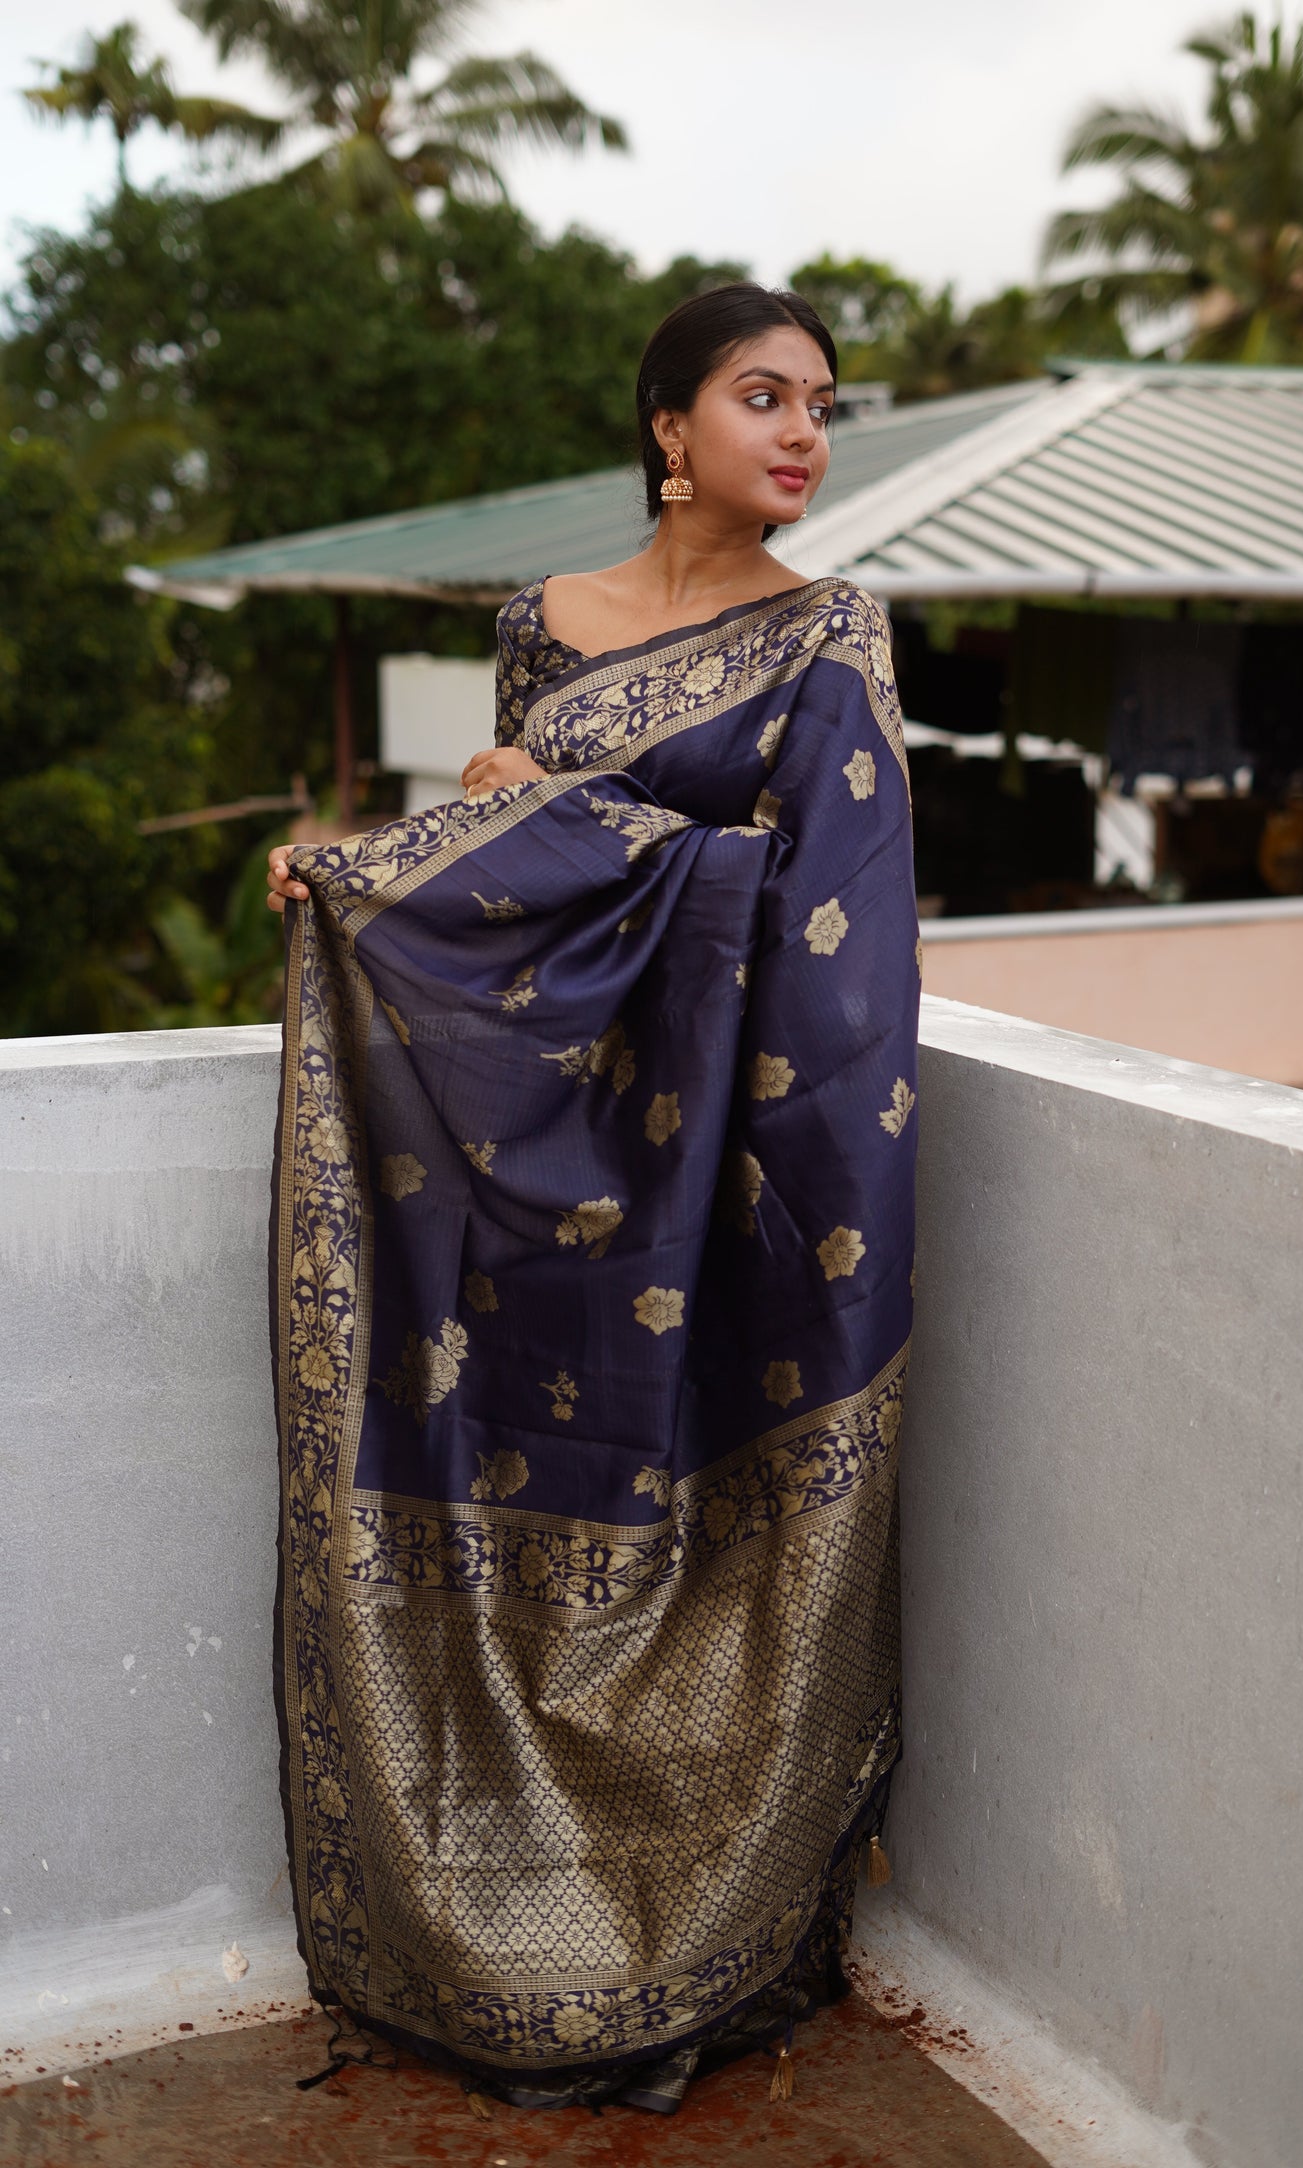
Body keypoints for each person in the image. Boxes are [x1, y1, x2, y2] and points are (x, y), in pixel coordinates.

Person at [265, 283, 919, 2115]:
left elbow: (832, 924)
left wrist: (568, 816)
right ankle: (491, 1920)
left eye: (821, 407)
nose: (801, 434)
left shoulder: (832, 636)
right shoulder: (538, 629)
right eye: (761, 396)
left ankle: (704, 1921)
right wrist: (359, 880)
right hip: (556, 1167)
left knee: (712, 1535)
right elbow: (507, 912)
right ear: (666, 427)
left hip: (757, 1178)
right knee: (520, 1478)